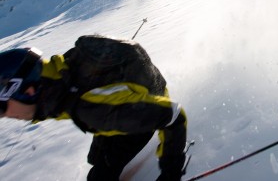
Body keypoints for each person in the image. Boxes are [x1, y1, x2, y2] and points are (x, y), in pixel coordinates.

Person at [0, 36, 187, 181]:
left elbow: (175, 117)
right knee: (96, 158)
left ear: (27, 90)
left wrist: (171, 172)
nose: (5, 116)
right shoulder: (57, 80)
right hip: (121, 104)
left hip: (142, 108)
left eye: (2, 108)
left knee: (100, 175)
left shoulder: (92, 107)